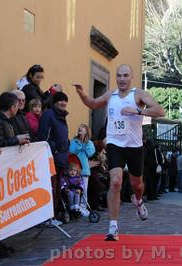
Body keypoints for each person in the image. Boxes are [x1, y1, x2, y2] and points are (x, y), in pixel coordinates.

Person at [74, 64, 165, 241]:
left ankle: (138, 200)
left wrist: (138, 110)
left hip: (134, 146)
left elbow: (160, 110)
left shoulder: (138, 94)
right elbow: (92, 104)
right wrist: (82, 94)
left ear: (131, 77)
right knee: (115, 181)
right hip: (115, 143)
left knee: (137, 184)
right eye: (119, 76)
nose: (122, 79)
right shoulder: (110, 95)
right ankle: (113, 227)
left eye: (125, 75)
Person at [37, 92, 69, 223]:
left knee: (57, 190)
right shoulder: (49, 115)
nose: (63, 103)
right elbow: (44, 137)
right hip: (52, 158)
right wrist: (54, 149)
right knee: (51, 188)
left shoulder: (61, 115)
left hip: (61, 158)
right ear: (55, 102)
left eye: (65, 101)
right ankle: (47, 218)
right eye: (60, 101)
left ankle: (53, 216)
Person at [69, 124, 95, 202]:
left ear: (86, 131)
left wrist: (84, 145)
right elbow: (71, 151)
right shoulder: (74, 141)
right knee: (73, 189)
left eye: (82, 127)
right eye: (79, 127)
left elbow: (90, 153)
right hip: (74, 168)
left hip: (84, 169)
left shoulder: (89, 143)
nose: (80, 128)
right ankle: (74, 206)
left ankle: (83, 206)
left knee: (84, 190)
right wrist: (80, 147)